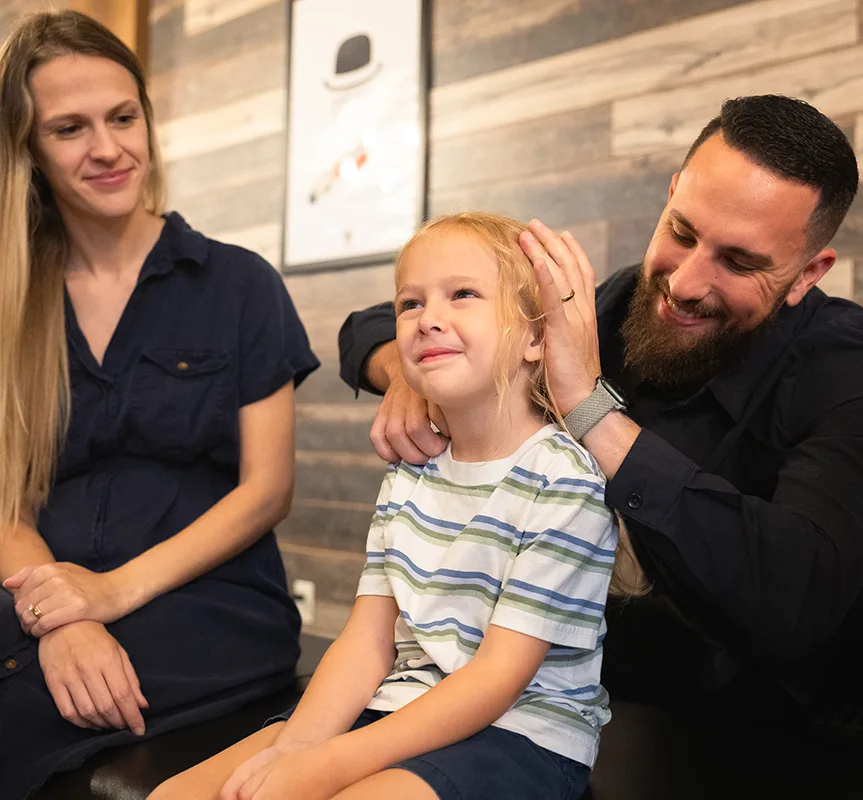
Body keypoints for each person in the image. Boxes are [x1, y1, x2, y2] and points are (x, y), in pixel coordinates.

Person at [338, 95, 863, 727]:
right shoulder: (611, 305)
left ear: (807, 273)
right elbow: (368, 326)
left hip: (760, 726)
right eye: (682, 233)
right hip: (563, 692)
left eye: (739, 262)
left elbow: (798, 596)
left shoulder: (843, 369)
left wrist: (592, 412)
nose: (684, 284)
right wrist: (408, 374)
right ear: (671, 195)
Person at [151, 212, 619, 800]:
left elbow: (498, 678)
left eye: (463, 294)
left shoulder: (565, 480)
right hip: (400, 702)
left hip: (521, 734)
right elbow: (368, 639)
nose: (428, 319)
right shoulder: (410, 471)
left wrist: (329, 765)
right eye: (410, 303)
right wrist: (298, 746)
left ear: (534, 336)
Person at [0, 11, 319, 798]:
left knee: (19, 714)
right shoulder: (12, 304)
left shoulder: (239, 284)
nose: (108, 148)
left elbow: (267, 491)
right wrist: (65, 616)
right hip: (44, 595)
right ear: (29, 149)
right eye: (69, 128)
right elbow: (7, 500)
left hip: (208, 604)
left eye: (123, 117)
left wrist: (109, 593)